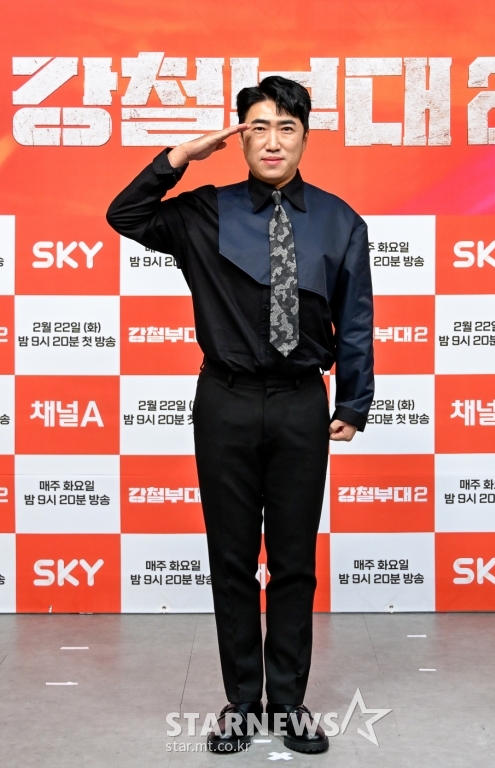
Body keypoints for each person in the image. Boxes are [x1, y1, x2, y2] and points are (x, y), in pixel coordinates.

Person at [107, 75, 374, 755]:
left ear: (305, 137)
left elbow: (356, 319)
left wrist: (354, 400)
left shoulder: (340, 220)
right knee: (231, 560)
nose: (273, 141)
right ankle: (241, 702)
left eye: (287, 127)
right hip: (224, 400)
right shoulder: (204, 211)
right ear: (240, 136)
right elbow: (125, 215)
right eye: (259, 127)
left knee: (293, 563)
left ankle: (288, 703)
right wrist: (180, 157)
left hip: (300, 403)